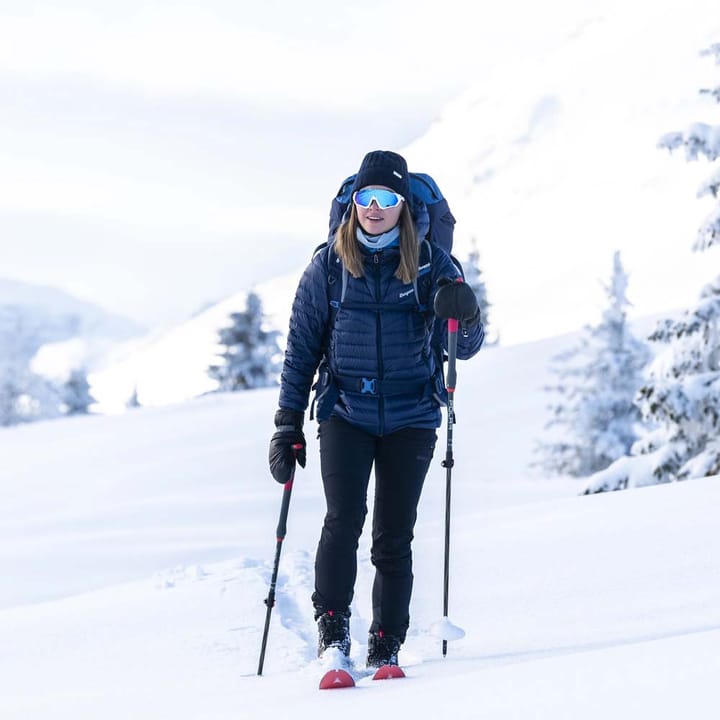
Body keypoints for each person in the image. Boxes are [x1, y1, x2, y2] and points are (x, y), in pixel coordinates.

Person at [268, 150, 483, 669]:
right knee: (343, 519)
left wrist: (466, 311)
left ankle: (386, 644)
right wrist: (286, 426)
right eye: (367, 197)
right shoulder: (328, 267)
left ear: (403, 204)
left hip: (412, 417)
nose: (375, 208)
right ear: (354, 202)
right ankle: (333, 636)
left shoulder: (433, 264)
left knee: (393, 534)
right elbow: (301, 351)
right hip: (345, 410)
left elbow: (467, 346)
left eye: (387, 198)